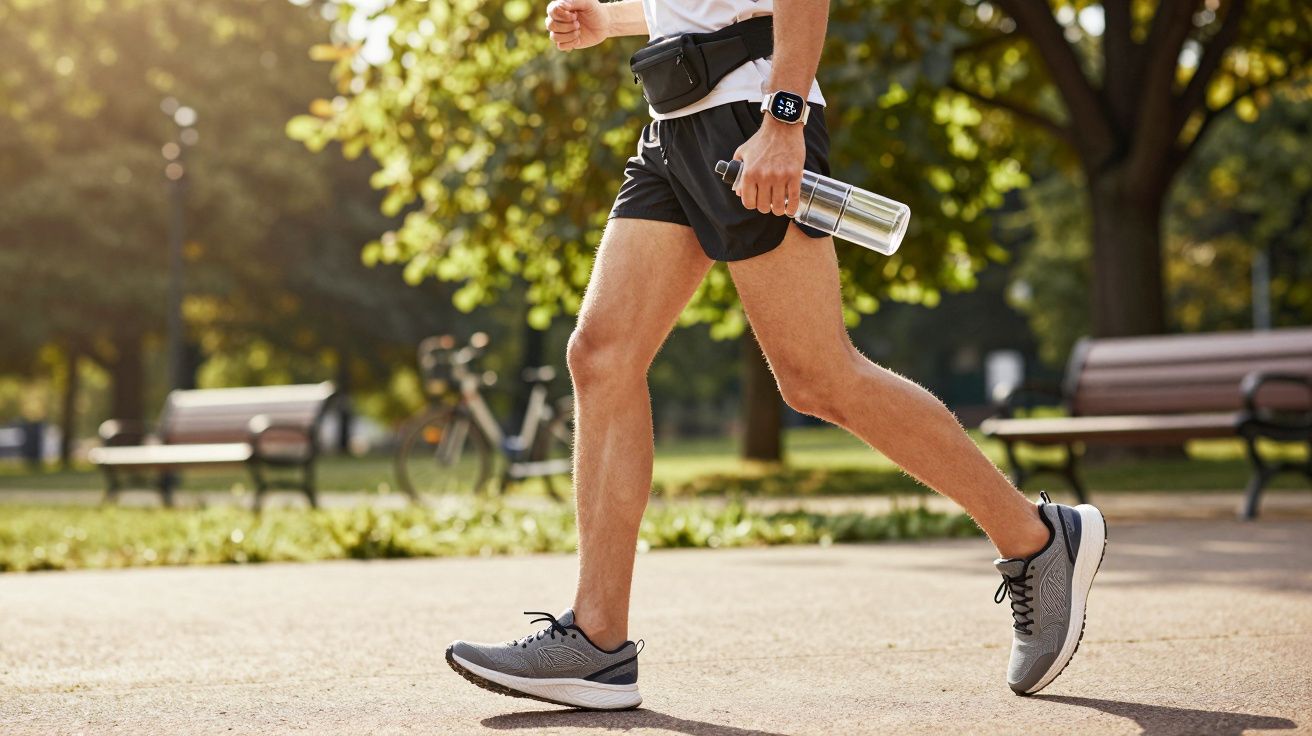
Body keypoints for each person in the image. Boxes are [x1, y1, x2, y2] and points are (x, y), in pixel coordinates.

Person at [445, 0, 1106, 711]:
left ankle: (1037, 540)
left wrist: (784, 120)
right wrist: (615, 21)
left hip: (750, 113)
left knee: (818, 378)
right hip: (673, 125)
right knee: (600, 355)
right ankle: (597, 640)